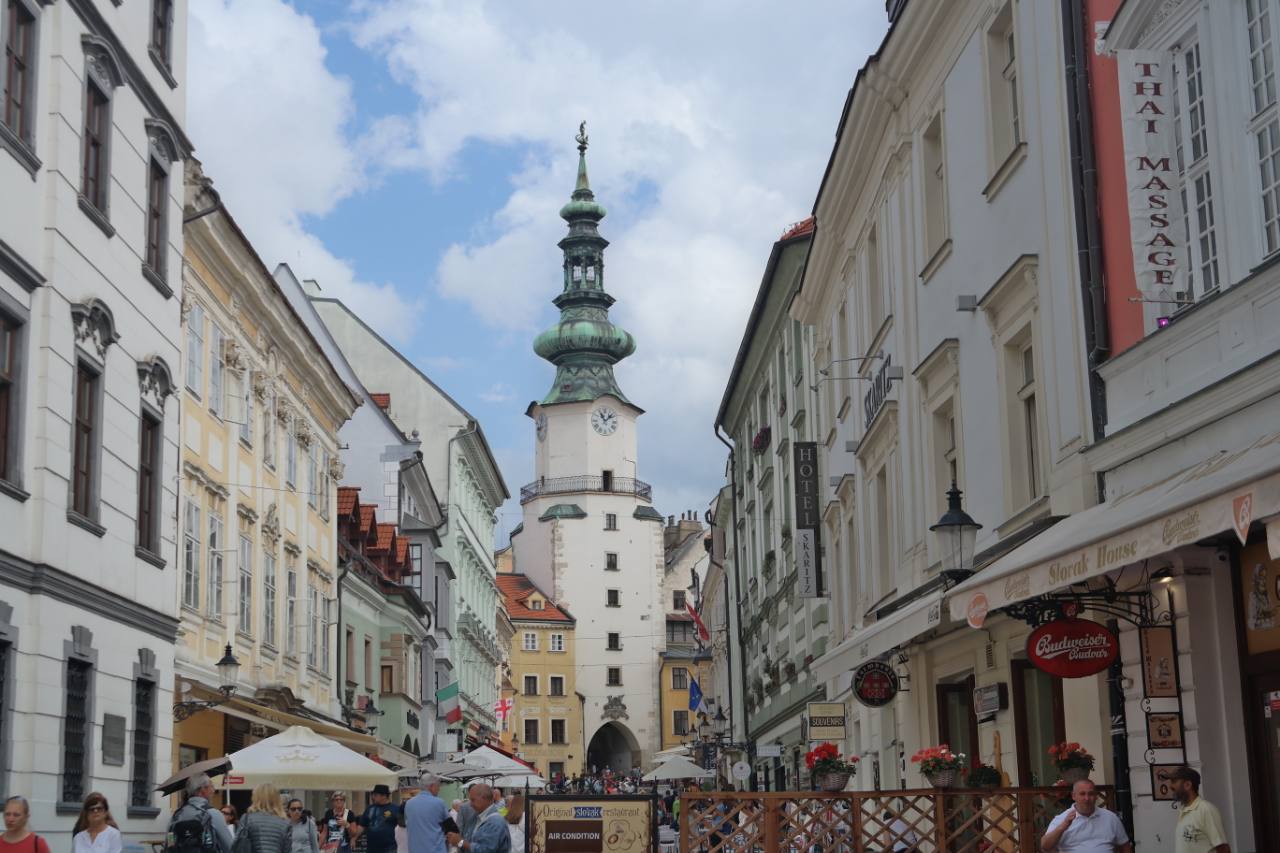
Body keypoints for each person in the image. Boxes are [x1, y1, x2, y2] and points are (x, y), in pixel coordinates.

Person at [1041, 779, 1132, 853]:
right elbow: (1045, 846)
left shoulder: (1110, 818)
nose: (1087, 798)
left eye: (1091, 794)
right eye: (1082, 794)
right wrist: (1062, 827)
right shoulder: (1062, 819)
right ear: (1073, 796)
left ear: (1096, 796)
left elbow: (1125, 845)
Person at [1169, 766, 1231, 853]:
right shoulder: (1183, 810)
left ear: (1188, 785)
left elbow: (1223, 848)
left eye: (1174, 781)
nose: (1171, 786)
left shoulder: (1206, 809)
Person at [169, 774, 234, 853]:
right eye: (211, 786)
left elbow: (169, 841)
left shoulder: (177, 815)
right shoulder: (213, 814)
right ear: (203, 789)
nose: (213, 790)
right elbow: (230, 847)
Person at [444, 785, 509, 853]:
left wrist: (459, 842)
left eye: (473, 800)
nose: (470, 804)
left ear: (484, 799)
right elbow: (469, 840)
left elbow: (485, 850)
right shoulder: (477, 817)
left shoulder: (495, 822)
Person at [238, 784, 292, 853]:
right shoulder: (285, 822)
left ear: (255, 798)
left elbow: (239, 845)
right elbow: (287, 849)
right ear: (277, 799)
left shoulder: (247, 818)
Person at [404, 774, 449, 853]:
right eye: (438, 786)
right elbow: (450, 827)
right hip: (435, 850)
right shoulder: (439, 802)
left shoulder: (408, 804)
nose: (439, 789)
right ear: (431, 786)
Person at [357, 786, 401, 853]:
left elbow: (402, 827)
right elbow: (362, 825)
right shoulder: (369, 808)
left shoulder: (395, 809)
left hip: (390, 848)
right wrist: (354, 837)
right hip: (371, 848)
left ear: (384, 796)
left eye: (375, 795)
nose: (373, 797)